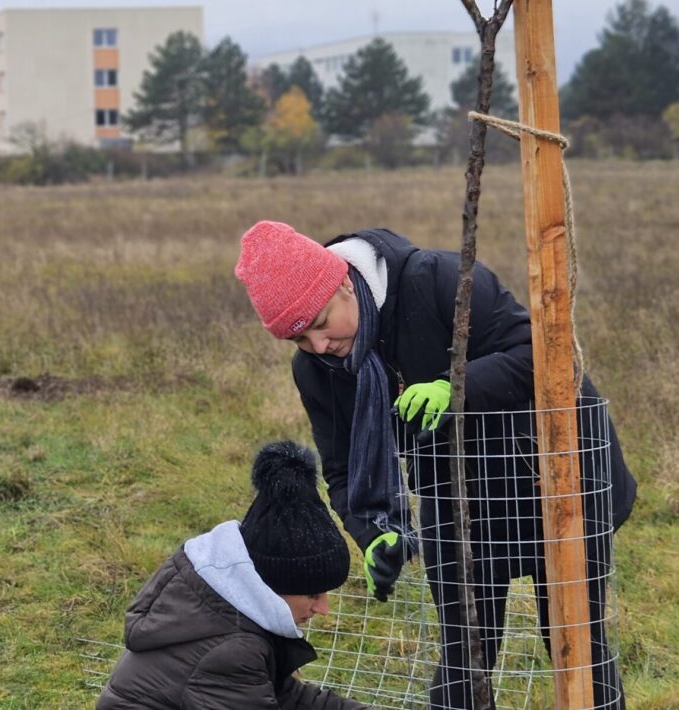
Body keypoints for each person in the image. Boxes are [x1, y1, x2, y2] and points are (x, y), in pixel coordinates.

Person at [234, 222, 637, 709]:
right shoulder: (318, 370)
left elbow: (547, 355)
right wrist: (371, 531)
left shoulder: (438, 280)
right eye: (299, 340)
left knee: (576, 643)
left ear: (342, 281)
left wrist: (458, 387)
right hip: (455, 493)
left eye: (321, 323)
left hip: (554, 474)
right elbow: (342, 466)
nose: (319, 346)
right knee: (465, 656)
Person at [97, 441, 371, 710]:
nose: (323, 608)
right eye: (312, 594)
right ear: (272, 584)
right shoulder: (234, 651)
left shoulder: (232, 608)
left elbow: (287, 697)